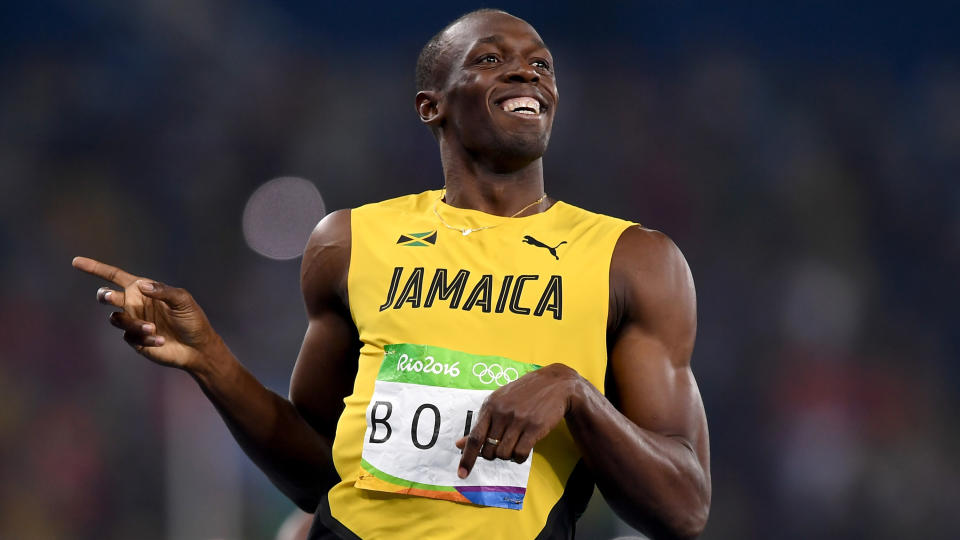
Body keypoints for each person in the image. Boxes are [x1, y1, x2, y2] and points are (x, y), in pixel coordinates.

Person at [73, 9, 710, 540]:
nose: (526, 70)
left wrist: (576, 394)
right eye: (490, 59)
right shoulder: (349, 243)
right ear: (431, 106)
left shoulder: (632, 260)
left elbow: (683, 506)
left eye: (541, 64)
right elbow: (316, 471)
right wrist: (211, 358)